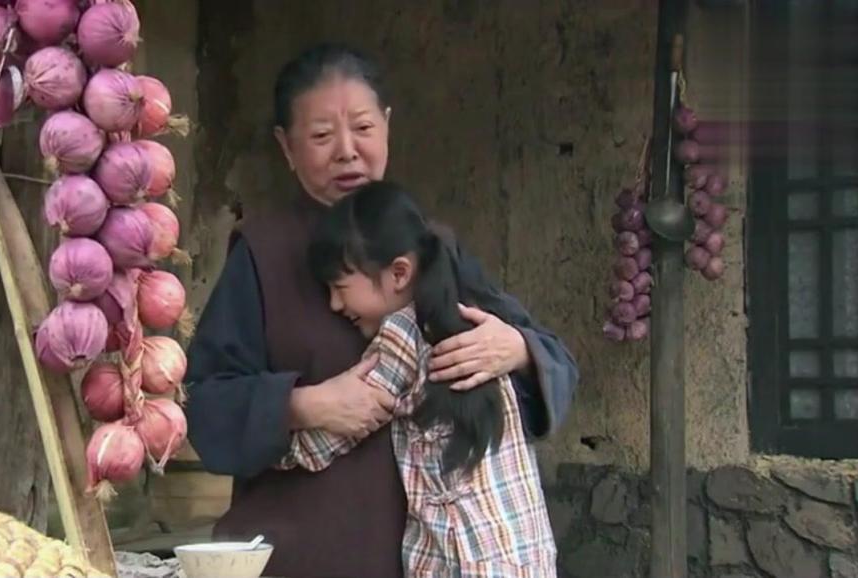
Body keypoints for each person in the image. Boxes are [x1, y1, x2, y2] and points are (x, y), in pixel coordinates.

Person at [185, 42, 578, 578]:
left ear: (387, 127)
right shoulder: (261, 251)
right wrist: (302, 405)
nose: (346, 151)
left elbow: (552, 358)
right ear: (286, 146)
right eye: (322, 136)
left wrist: (517, 349)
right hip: (303, 560)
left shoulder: (429, 246)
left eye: (363, 129)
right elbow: (205, 405)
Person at [276, 180, 556, 578]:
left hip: (461, 562)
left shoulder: (403, 336)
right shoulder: (474, 311)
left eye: (339, 287)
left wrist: (274, 431)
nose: (335, 305)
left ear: (399, 273)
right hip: (525, 556)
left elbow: (329, 437)